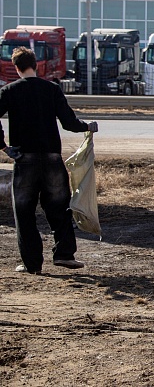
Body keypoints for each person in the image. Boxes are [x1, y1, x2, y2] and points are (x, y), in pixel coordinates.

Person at [0, 47, 98, 274]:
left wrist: (4, 147)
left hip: (24, 159)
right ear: (35, 65)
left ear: (16, 68)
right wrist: (87, 126)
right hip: (52, 158)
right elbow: (68, 122)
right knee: (59, 207)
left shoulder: (9, 91)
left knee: (24, 212)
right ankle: (64, 254)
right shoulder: (52, 89)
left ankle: (32, 263)